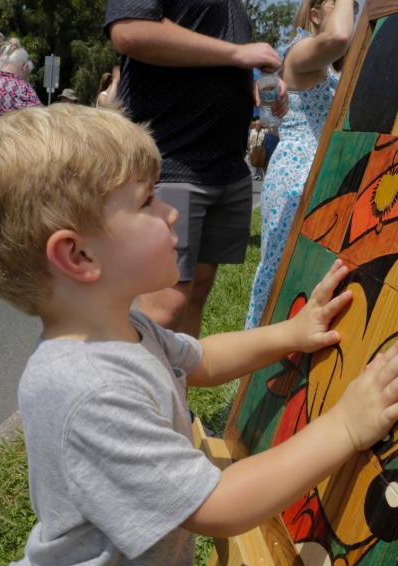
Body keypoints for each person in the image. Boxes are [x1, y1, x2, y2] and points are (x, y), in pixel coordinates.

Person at [0, 104, 398, 566]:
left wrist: (291, 334)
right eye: (147, 201)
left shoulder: (123, 329)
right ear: (77, 255)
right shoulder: (87, 389)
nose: (170, 213)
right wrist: (345, 426)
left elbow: (201, 359)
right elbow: (219, 505)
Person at [106, 1, 288, 337]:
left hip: (224, 166)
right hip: (171, 159)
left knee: (195, 296)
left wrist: (254, 81)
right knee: (165, 309)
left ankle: (176, 388)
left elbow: (211, 54)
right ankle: (129, 386)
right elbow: (130, 30)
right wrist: (237, 54)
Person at [245, 0, 355, 328]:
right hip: (297, 176)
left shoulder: (320, 65)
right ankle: (256, 356)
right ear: (316, 15)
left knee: (305, 273)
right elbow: (338, 37)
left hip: (309, 171)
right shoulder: (299, 50)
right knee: (280, 272)